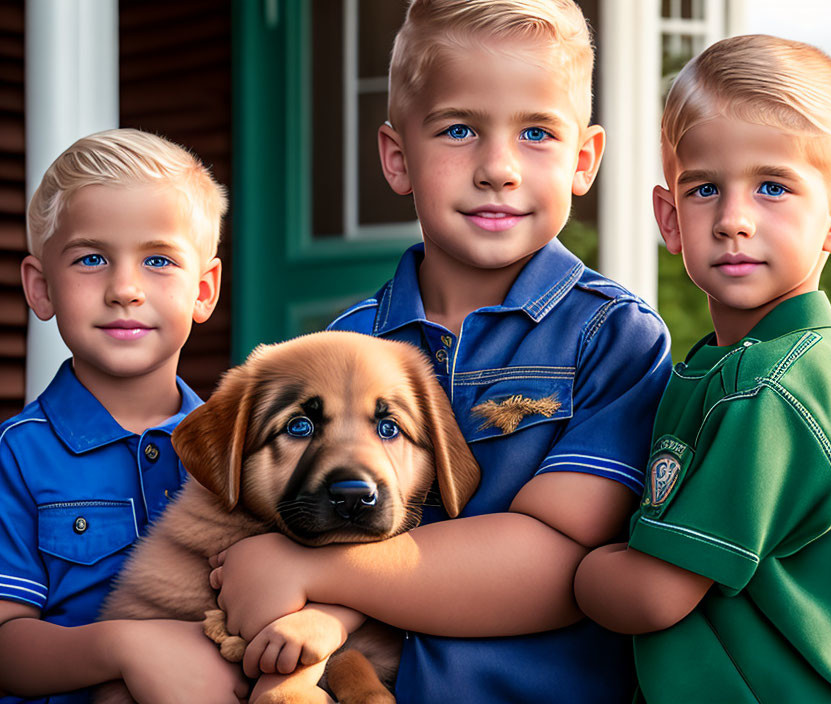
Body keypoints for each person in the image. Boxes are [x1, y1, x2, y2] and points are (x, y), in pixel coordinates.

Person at [208, 1, 671, 702]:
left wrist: (320, 576)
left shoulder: (613, 339)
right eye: (459, 129)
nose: (498, 168)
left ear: (584, 161)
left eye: (537, 133)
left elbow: (559, 568)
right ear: (397, 158)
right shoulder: (345, 345)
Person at [574, 34, 831, 703]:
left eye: (773, 187)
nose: (733, 220)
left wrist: (576, 566)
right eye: (705, 189)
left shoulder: (774, 389)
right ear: (669, 217)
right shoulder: (729, 369)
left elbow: (653, 594)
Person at [0, 129, 248, 704]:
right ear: (41, 289)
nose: (125, 290)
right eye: (92, 258)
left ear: (204, 291)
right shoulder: (17, 456)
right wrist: (128, 648)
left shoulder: (238, 446)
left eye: (158, 259)